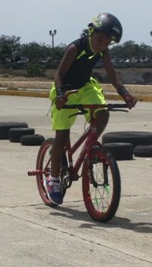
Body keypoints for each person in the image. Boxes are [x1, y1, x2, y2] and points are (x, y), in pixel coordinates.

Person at [46, 13, 137, 205]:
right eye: (100, 39)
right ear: (91, 31)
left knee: (102, 112)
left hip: (85, 87)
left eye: (107, 43)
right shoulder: (75, 48)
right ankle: (53, 180)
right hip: (66, 89)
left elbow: (112, 75)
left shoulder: (103, 52)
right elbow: (59, 75)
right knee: (61, 136)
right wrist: (60, 95)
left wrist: (125, 94)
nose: (102, 45)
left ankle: (92, 145)